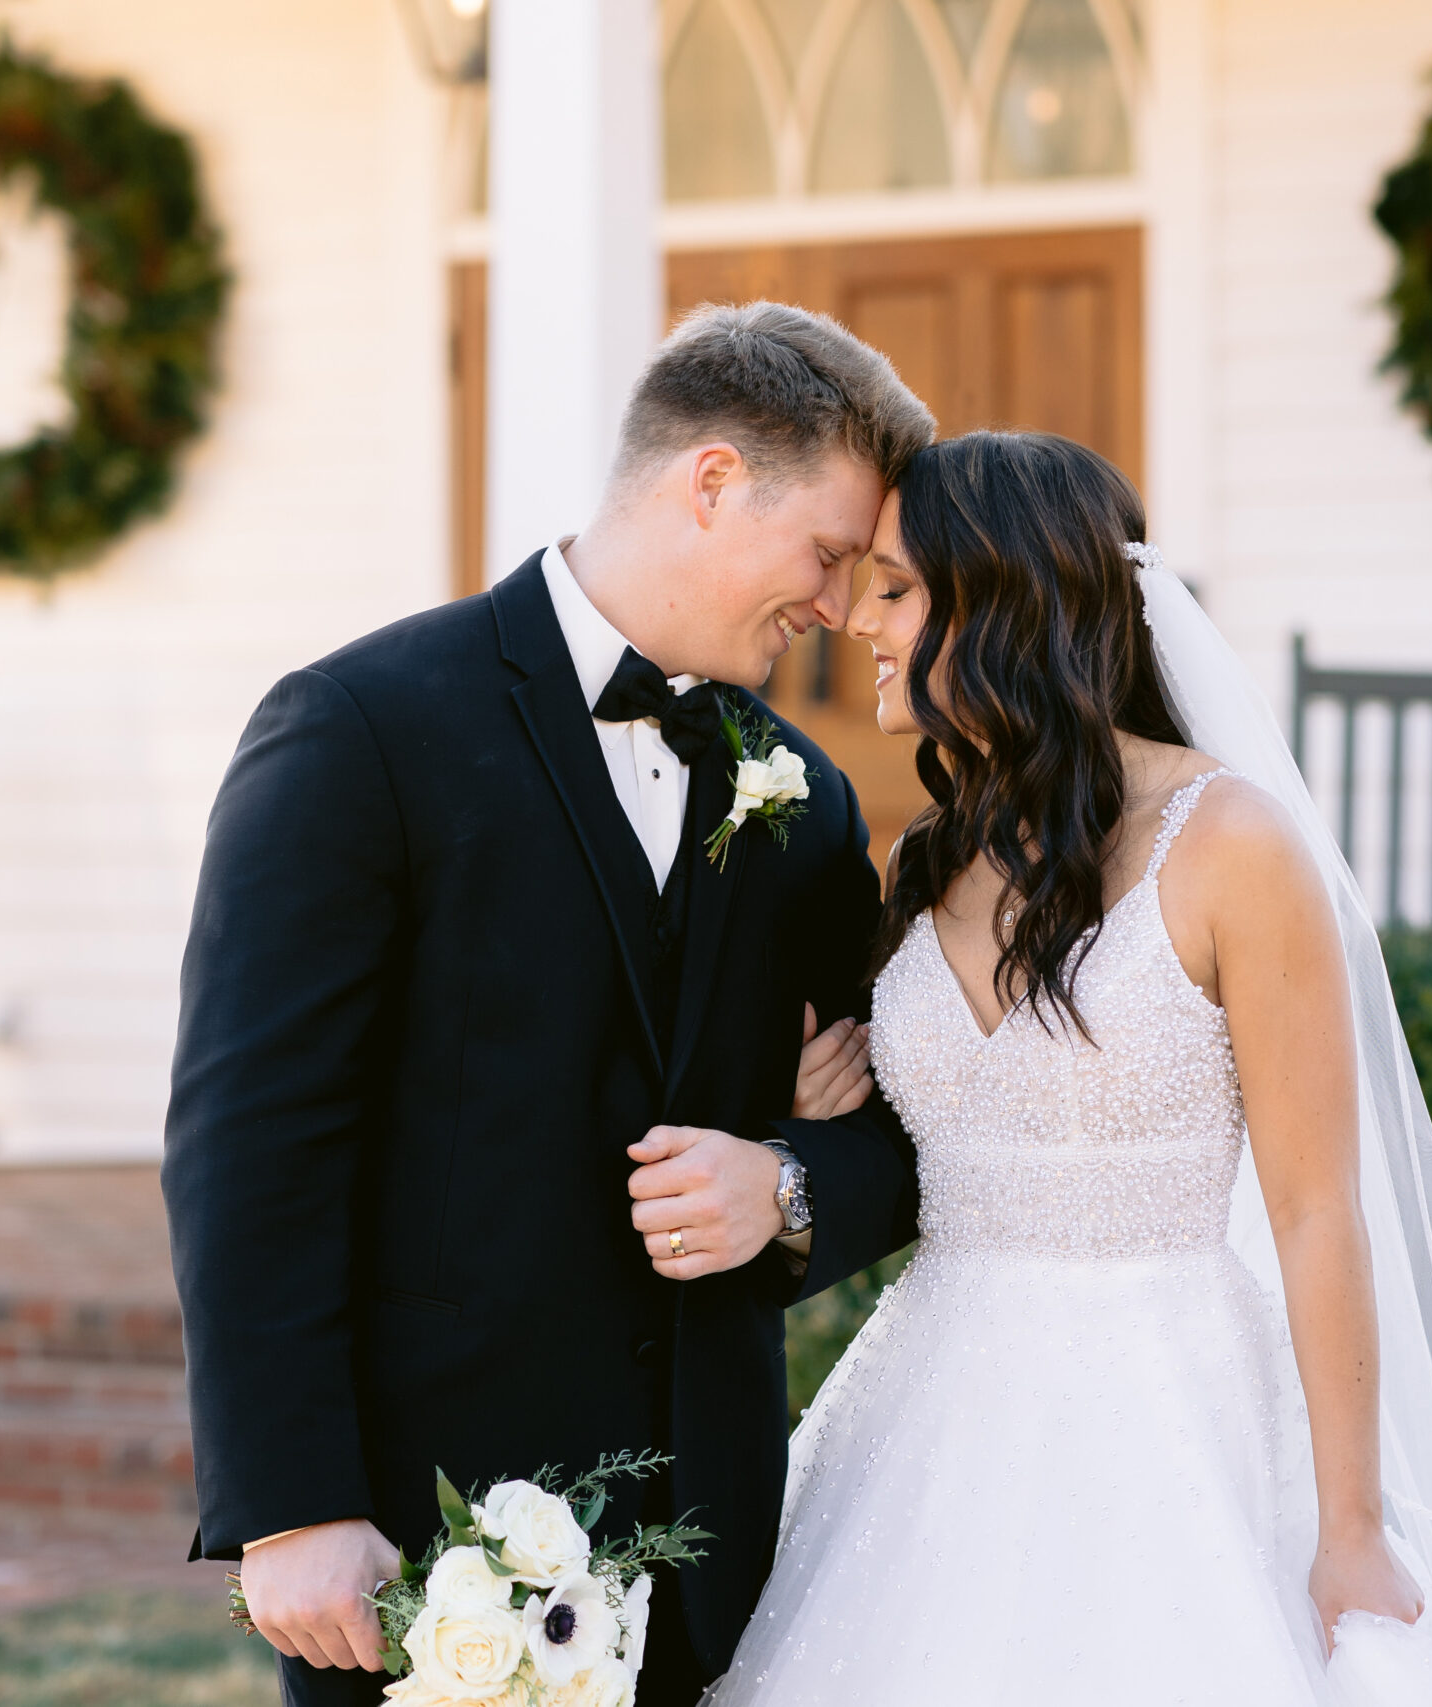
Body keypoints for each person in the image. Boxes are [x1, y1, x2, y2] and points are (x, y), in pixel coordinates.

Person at [698, 433, 1432, 1705]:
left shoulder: (1228, 848)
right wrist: (825, 1096)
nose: (855, 621)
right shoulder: (927, 858)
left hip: (1166, 1423)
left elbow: (1317, 1212)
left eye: (893, 590)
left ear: (1002, 598)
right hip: (932, 1428)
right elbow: (940, 1130)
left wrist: (1350, 1526)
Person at [161, 301, 934, 1707]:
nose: (834, 608)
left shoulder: (809, 806)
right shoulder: (356, 731)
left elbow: (915, 1123)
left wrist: (790, 1183)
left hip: (712, 1560)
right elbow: (251, 1141)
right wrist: (289, 1502)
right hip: (417, 1544)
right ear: (711, 480)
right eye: (827, 555)